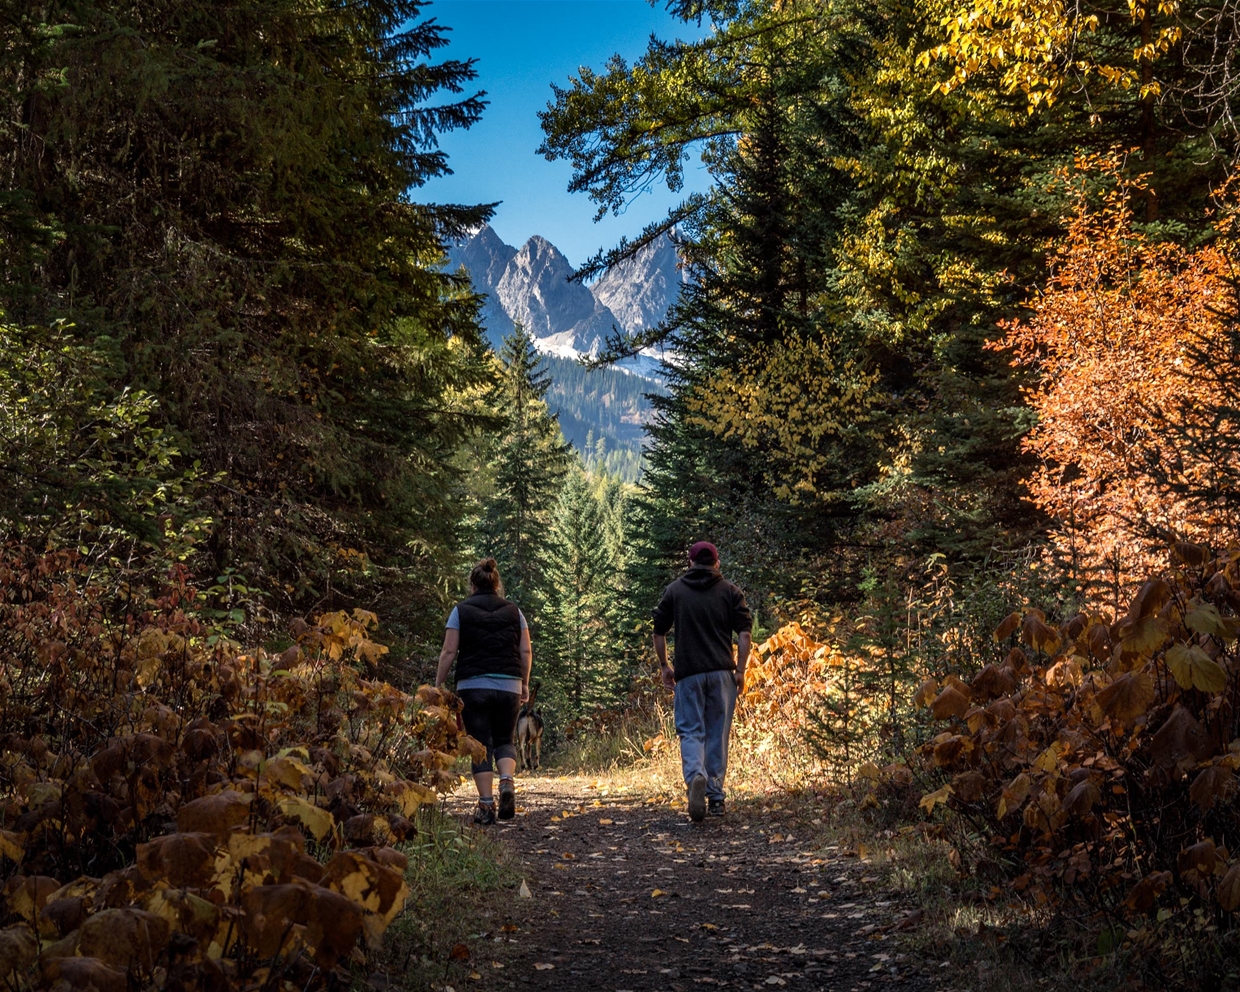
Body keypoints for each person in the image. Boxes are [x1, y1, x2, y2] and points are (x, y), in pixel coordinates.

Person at [652, 541, 752, 821]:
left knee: (691, 732)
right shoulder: (731, 592)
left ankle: (696, 775)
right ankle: (716, 797)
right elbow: (744, 634)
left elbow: (658, 632)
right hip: (722, 674)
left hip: (689, 675)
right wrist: (741, 670)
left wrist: (664, 665)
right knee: (717, 733)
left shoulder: (675, 591)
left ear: (690, 563)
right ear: (717, 563)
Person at [436, 558, 531, 825]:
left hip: (473, 686)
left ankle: (486, 806)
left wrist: (438, 685)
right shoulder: (515, 611)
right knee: (505, 740)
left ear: (472, 584)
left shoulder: (460, 611)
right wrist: (523, 683)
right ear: (496, 583)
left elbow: (449, 651)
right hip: (509, 686)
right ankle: (507, 782)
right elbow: (525, 650)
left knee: (479, 746)